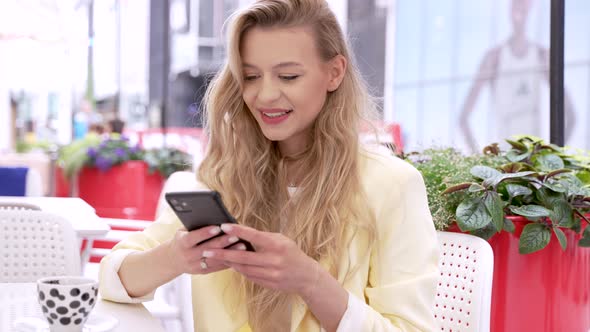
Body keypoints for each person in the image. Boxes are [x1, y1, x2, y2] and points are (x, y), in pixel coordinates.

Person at [99, 1, 439, 331]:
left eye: (288, 76)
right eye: (250, 76)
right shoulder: (228, 178)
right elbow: (113, 276)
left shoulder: (392, 185)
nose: (264, 96)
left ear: (334, 72)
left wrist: (310, 280)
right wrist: (175, 257)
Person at [459, 0, 576, 153]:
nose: (519, 10)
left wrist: (554, 157)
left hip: (534, 162)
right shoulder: (495, 57)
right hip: (505, 161)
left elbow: (571, 115)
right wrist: (478, 158)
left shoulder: (541, 56)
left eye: (524, 5)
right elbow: (463, 118)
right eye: (516, 4)